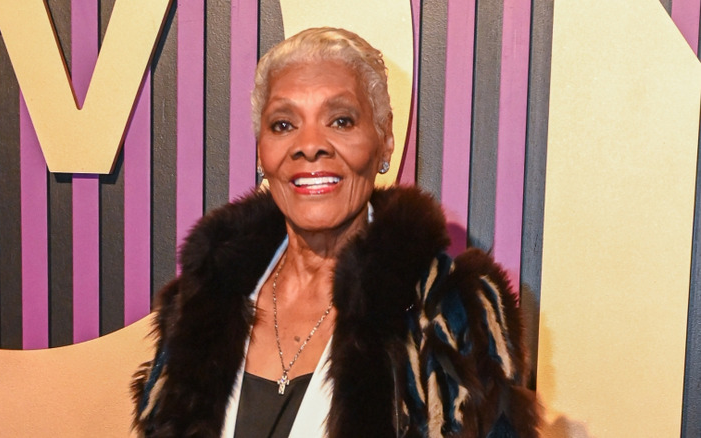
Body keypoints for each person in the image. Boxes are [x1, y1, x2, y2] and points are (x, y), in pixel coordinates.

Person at [132, 27, 539, 437]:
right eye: (283, 124)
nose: (310, 145)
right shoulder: (206, 299)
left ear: (384, 141)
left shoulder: (446, 313)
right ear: (261, 151)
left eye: (341, 120)